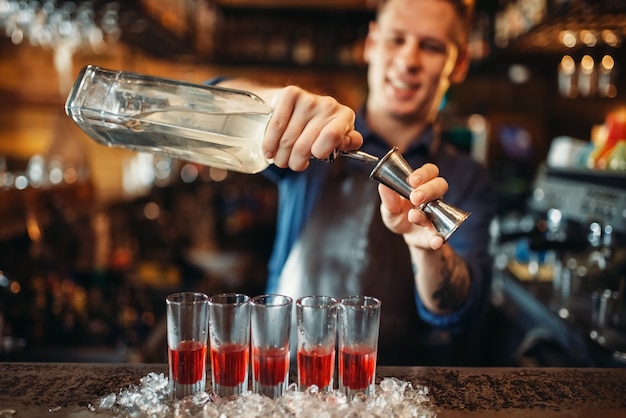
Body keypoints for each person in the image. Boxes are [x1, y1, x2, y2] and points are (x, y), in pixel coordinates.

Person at [212, 0, 496, 366]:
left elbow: (461, 310)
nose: (408, 60)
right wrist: (274, 105)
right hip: (286, 379)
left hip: (399, 392)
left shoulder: (469, 178)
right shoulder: (314, 138)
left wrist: (428, 248)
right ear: (371, 44)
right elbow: (212, 105)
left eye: (431, 46)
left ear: (458, 64)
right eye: (396, 39)